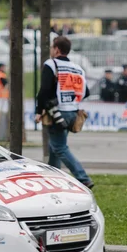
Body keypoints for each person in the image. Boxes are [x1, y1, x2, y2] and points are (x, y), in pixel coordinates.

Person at [35, 36, 94, 189]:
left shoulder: (51, 64)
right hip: (72, 113)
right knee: (55, 146)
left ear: (57, 49)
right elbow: (85, 91)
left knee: (60, 147)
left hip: (57, 112)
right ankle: (53, 177)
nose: (51, 50)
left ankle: (83, 178)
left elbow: (44, 91)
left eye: (52, 47)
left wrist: (38, 110)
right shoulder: (77, 68)